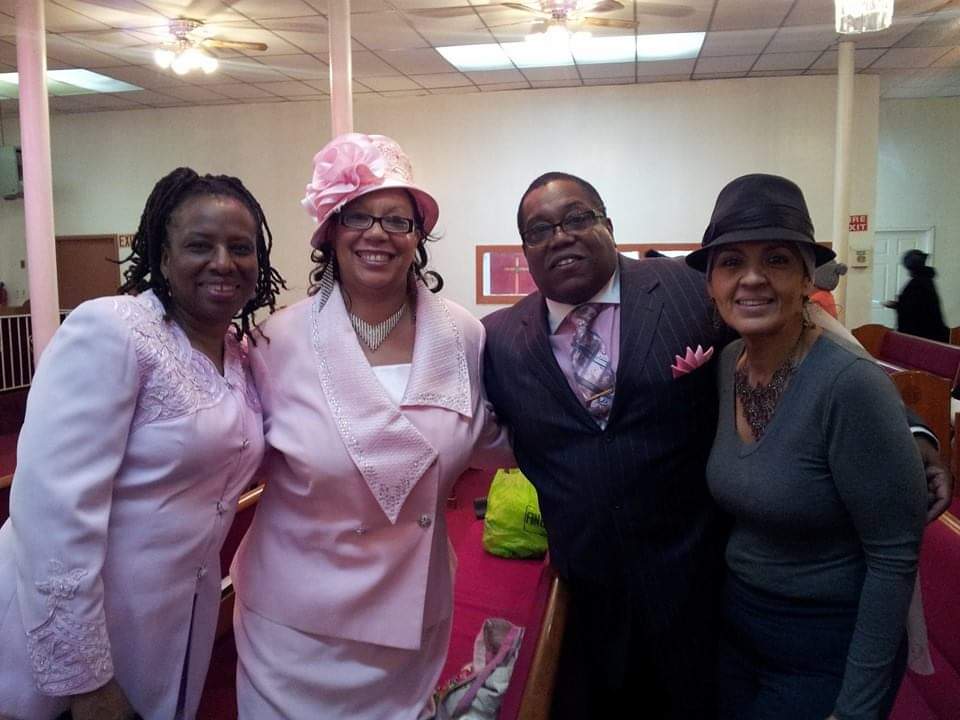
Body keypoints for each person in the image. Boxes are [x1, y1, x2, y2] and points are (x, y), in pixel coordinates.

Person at [481, 171, 953, 719]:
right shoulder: (499, 342)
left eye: (578, 217)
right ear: (525, 249)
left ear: (610, 226)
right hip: (591, 602)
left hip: (704, 596)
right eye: (539, 229)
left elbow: (817, 341)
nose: (560, 235)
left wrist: (909, 430)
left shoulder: (689, 290)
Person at [230, 133, 511, 720]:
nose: (378, 233)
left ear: (418, 238)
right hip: (294, 625)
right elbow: (228, 454)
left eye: (398, 220)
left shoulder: (461, 334)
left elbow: (490, 435)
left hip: (412, 612)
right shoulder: (273, 342)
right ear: (331, 230)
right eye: (358, 216)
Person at [0, 168, 285, 720]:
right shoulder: (112, 329)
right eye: (199, 245)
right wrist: (85, 681)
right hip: (75, 628)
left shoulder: (241, 354)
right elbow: (54, 517)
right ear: (161, 255)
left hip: (174, 619)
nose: (223, 262)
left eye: (240, 247)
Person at [686, 173, 926, 720]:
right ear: (711, 284)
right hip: (740, 634)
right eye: (731, 263)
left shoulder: (849, 385)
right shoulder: (728, 366)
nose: (751, 279)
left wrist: (857, 709)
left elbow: (893, 555)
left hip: (826, 649)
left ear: (805, 279)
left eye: (774, 259)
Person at [885, 249, 949, 342]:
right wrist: (899, 304)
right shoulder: (924, 280)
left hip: (922, 334)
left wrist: (898, 305)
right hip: (927, 333)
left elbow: (914, 309)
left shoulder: (919, 282)